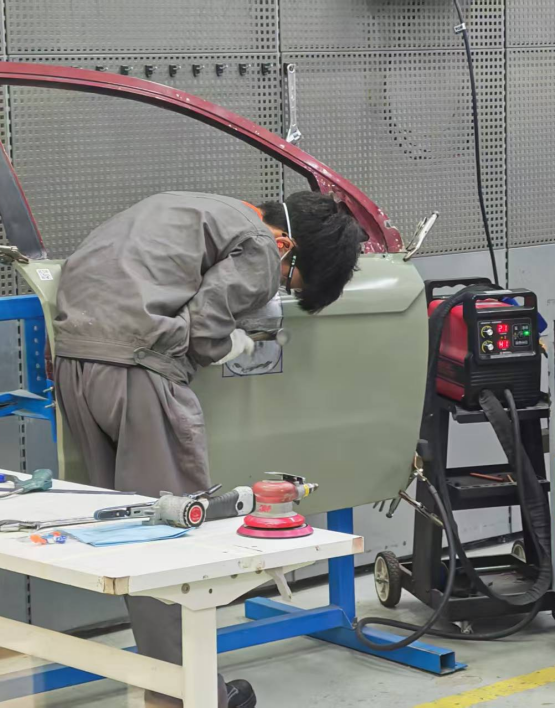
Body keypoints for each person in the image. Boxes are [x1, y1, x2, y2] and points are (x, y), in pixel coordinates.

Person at [53, 190, 367, 707]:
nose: (274, 286)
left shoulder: (192, 207)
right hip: (137, 373)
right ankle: (192, 698)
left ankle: (171, 689)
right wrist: (231, 342)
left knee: (133, 538)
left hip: (75, 366)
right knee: (174, 543)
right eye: (289, 280)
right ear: (286, 246)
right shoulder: (261, 245)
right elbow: (203, 333)